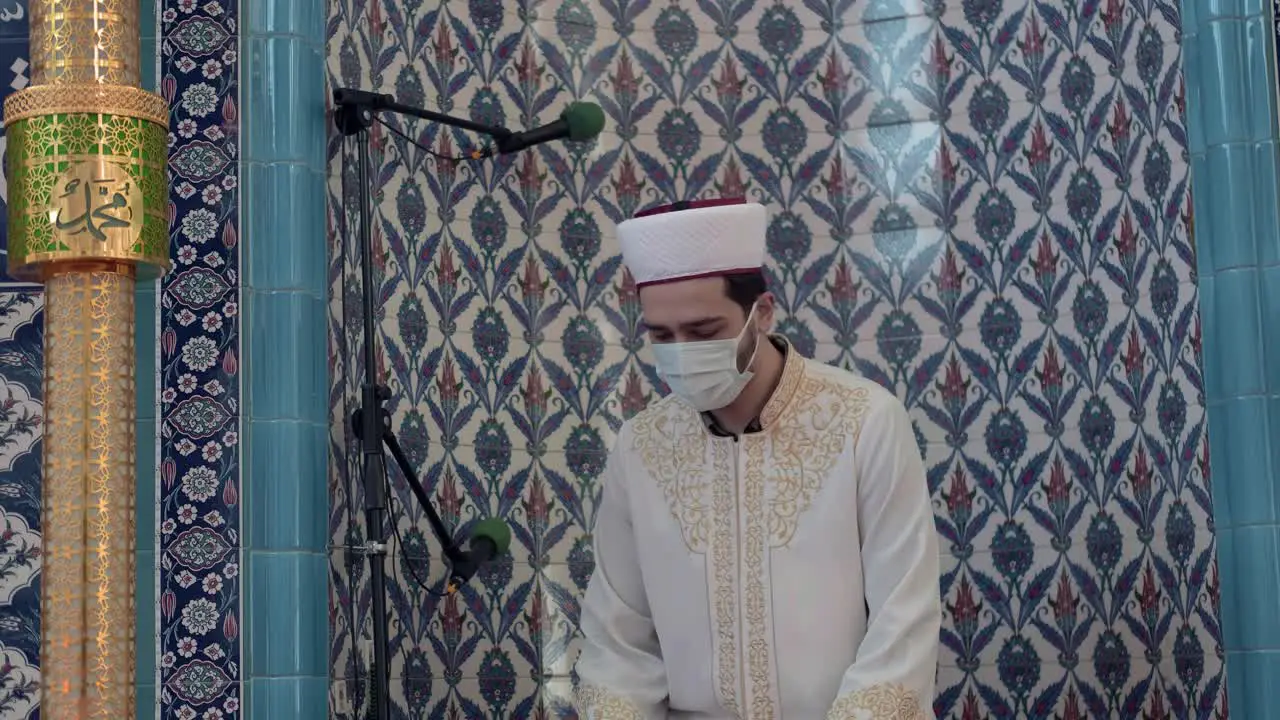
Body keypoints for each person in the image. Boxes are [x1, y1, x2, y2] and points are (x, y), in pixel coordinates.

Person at [572, 199, 942, 719]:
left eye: (702, 333)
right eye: (661, 335)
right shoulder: (642, 447)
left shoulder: (864, 421)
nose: (680, 351)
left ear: (762, 313)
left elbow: (902, 621)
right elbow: (618, 638)